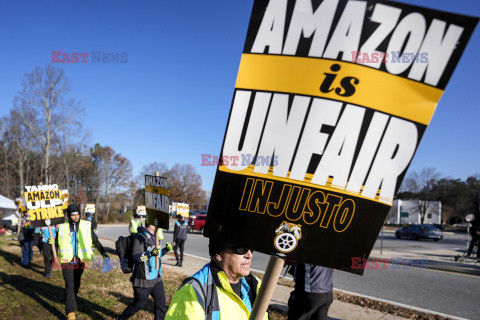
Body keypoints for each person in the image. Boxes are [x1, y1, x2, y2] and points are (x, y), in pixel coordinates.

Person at [165, 238, 268, 320]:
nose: (249, 255)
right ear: (218, 254)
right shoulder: (193, 292)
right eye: (241, 249)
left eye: (251, 248)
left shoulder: (256, 285)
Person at [54, 204, 109, 320]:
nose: (75, 217)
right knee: (69, 284)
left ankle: (72, 298)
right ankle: (70, 311)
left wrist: (103, 253)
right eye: (73, 215)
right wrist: (51, 245)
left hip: (80, 260)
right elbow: (56, 242)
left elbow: (95, 240)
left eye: (77, 214)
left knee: (76, 283)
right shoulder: (62, 227)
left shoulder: (86, 226)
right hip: (67, 260)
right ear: (68, 216)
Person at [117, 223, 172, 320]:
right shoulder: (140, 237)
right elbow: (136, 257)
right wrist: (150, 254)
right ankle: (121, 318)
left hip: (156, 278)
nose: (159, 228)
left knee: (161, 304)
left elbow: (156, 256)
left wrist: (166, 250)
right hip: (143, 280)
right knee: (138, 305)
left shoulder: (155, 237)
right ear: (151, 225)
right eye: (157, 225)